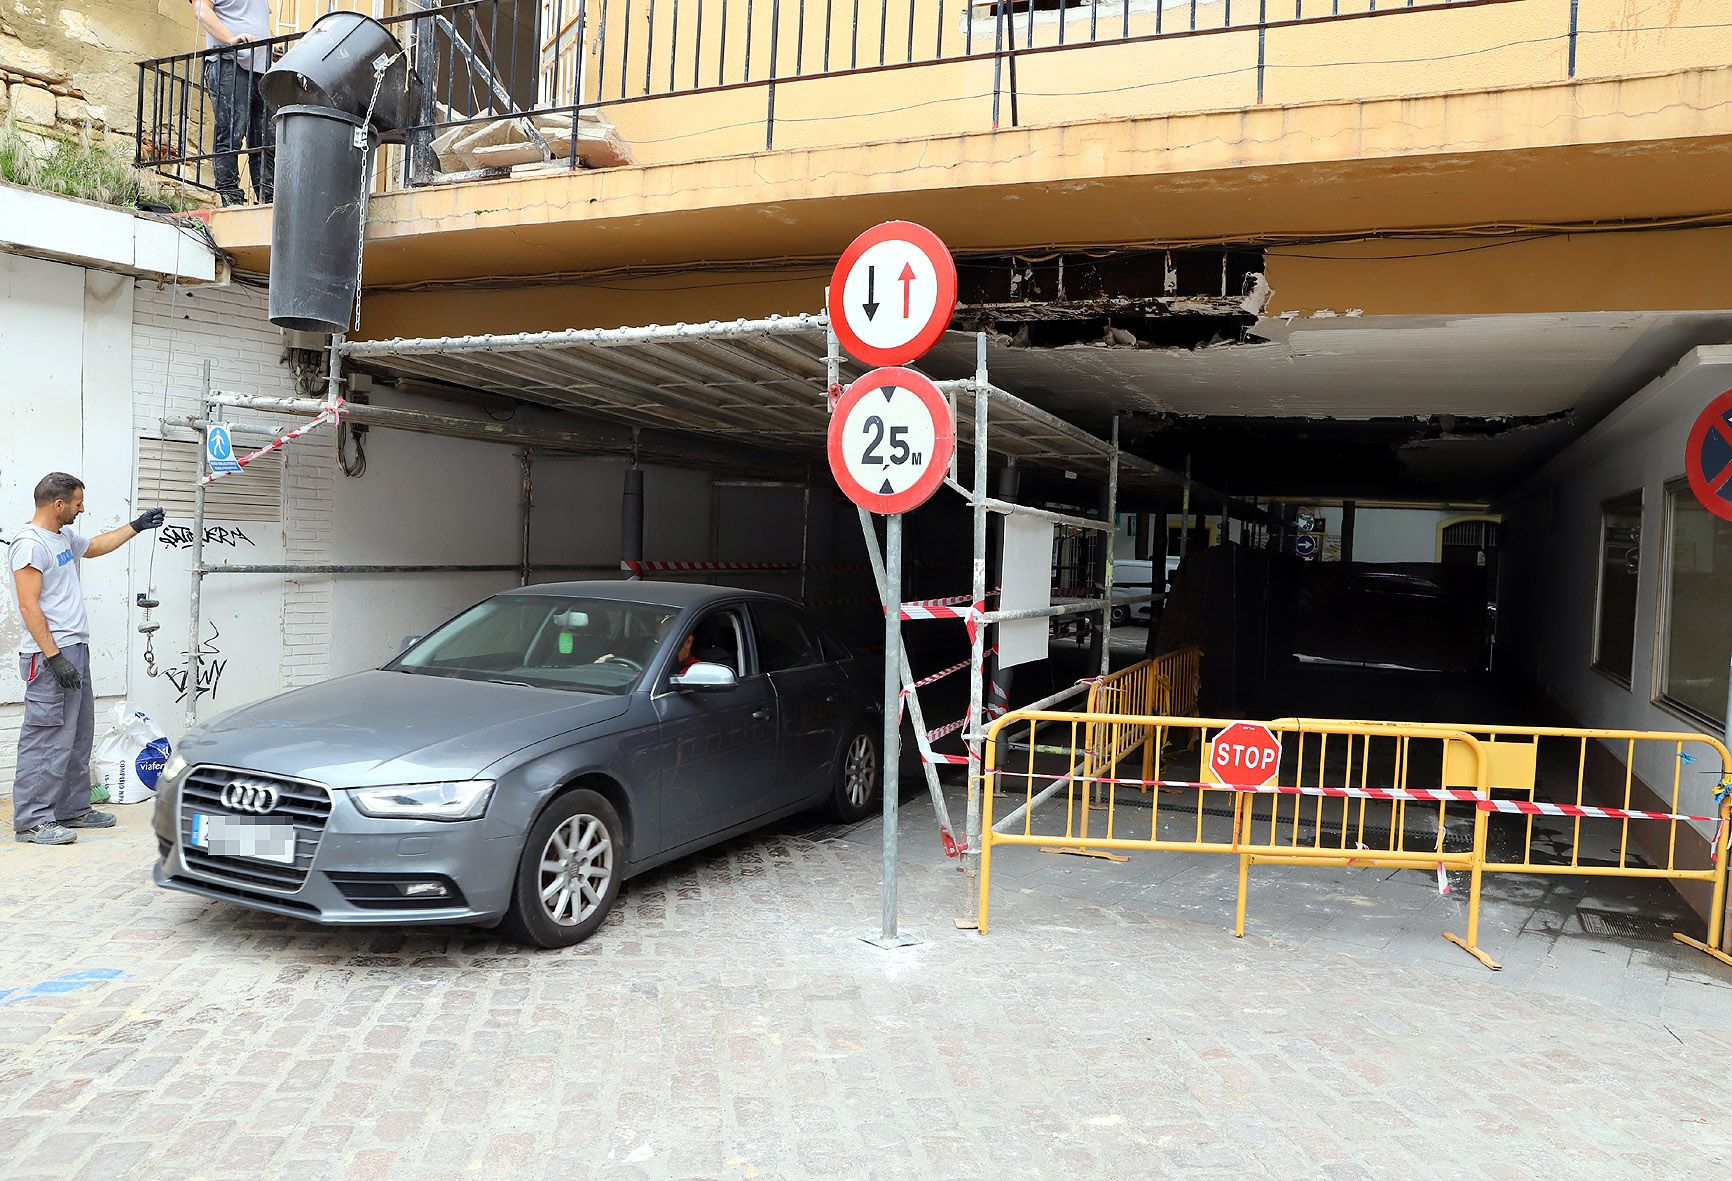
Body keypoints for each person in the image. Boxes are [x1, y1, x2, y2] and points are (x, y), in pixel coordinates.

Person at [8, 475, 164, 846]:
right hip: (51, 656)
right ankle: (32, 821)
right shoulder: (30, 545)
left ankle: (72, 809)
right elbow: (29, 605)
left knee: (77, 735)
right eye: (78, 503)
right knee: (45, 737)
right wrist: (54, 657)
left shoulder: (61, 538)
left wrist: (137, 526)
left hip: (74, 649)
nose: (82, 509)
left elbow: (93, 546)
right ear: (58, 504)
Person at [191, 0, 276, 206]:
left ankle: (268, 196)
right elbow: (201, 10)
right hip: (229, 63)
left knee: (266, 140)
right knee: (231, 134)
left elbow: (263, 28)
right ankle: (231, 196)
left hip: (261, 72)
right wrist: (230, 38)